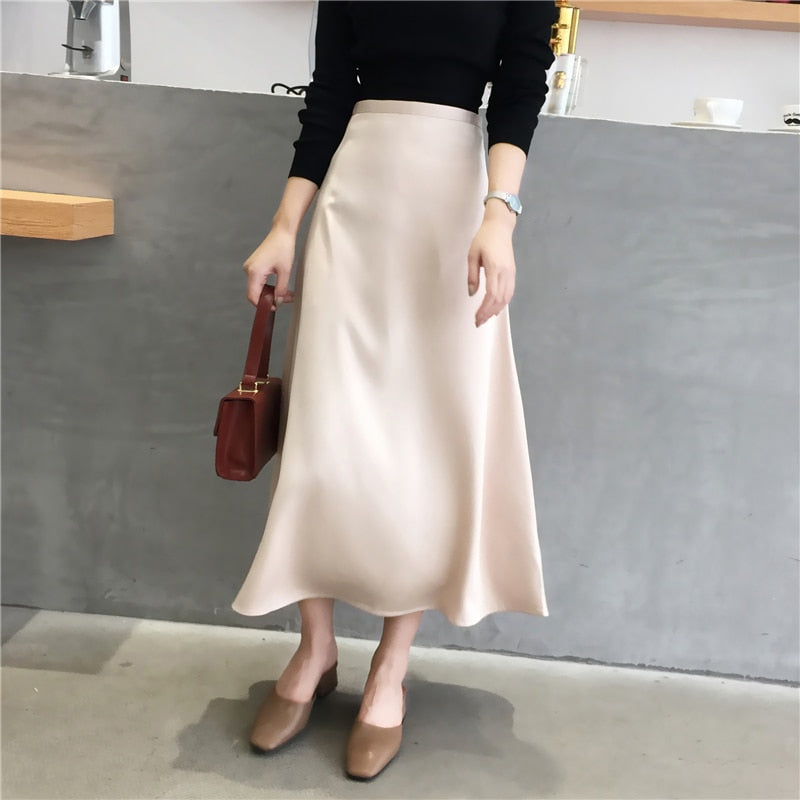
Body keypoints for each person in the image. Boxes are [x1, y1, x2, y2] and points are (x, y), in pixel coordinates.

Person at [232, 0, 558, 781]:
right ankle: (315, 650)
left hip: (451, 210)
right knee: (324, 439)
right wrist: (285, 225)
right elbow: (329, 95)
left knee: (422, 448)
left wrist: (501, 216)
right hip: (356, 201)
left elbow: (520, 88)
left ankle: (390, 666)